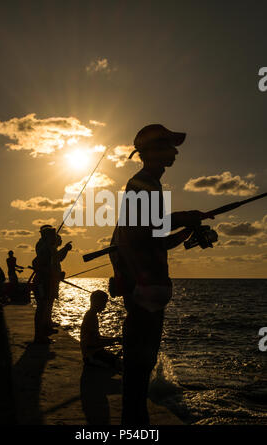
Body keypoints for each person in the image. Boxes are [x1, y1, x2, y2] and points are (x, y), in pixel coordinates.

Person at [110, 124, 214, 424]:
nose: (176, 151)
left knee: (141, 370)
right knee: (138, 370)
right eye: (169, 145)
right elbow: (143, 230)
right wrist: (186, 216)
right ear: (153, 152)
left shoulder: (150, 186)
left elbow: (155, 238)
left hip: (148, 292)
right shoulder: (142, 184)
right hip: (144, 294)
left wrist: (186, 230)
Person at [32, 225, 72, 344]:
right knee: (42, 309)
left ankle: (43, 334)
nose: (55, 238)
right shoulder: (43, 248)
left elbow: (57, 258)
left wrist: (65, 249)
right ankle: (39, 337)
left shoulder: (49, 247)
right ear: (47, 236)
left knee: (45, 308)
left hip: (48, 283)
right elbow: (39, 264)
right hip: (42, 283)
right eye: (53, 236)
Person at [80, 290, 122, 369]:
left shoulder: (91, 315)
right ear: (97, 302)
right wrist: (113, 341)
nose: (105, 306)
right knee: (119, 364)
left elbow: (96, 337)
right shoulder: (91, 317)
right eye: (104, 303)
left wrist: (115, 339)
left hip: (94, 352)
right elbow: (93, 342)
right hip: (91, 356)